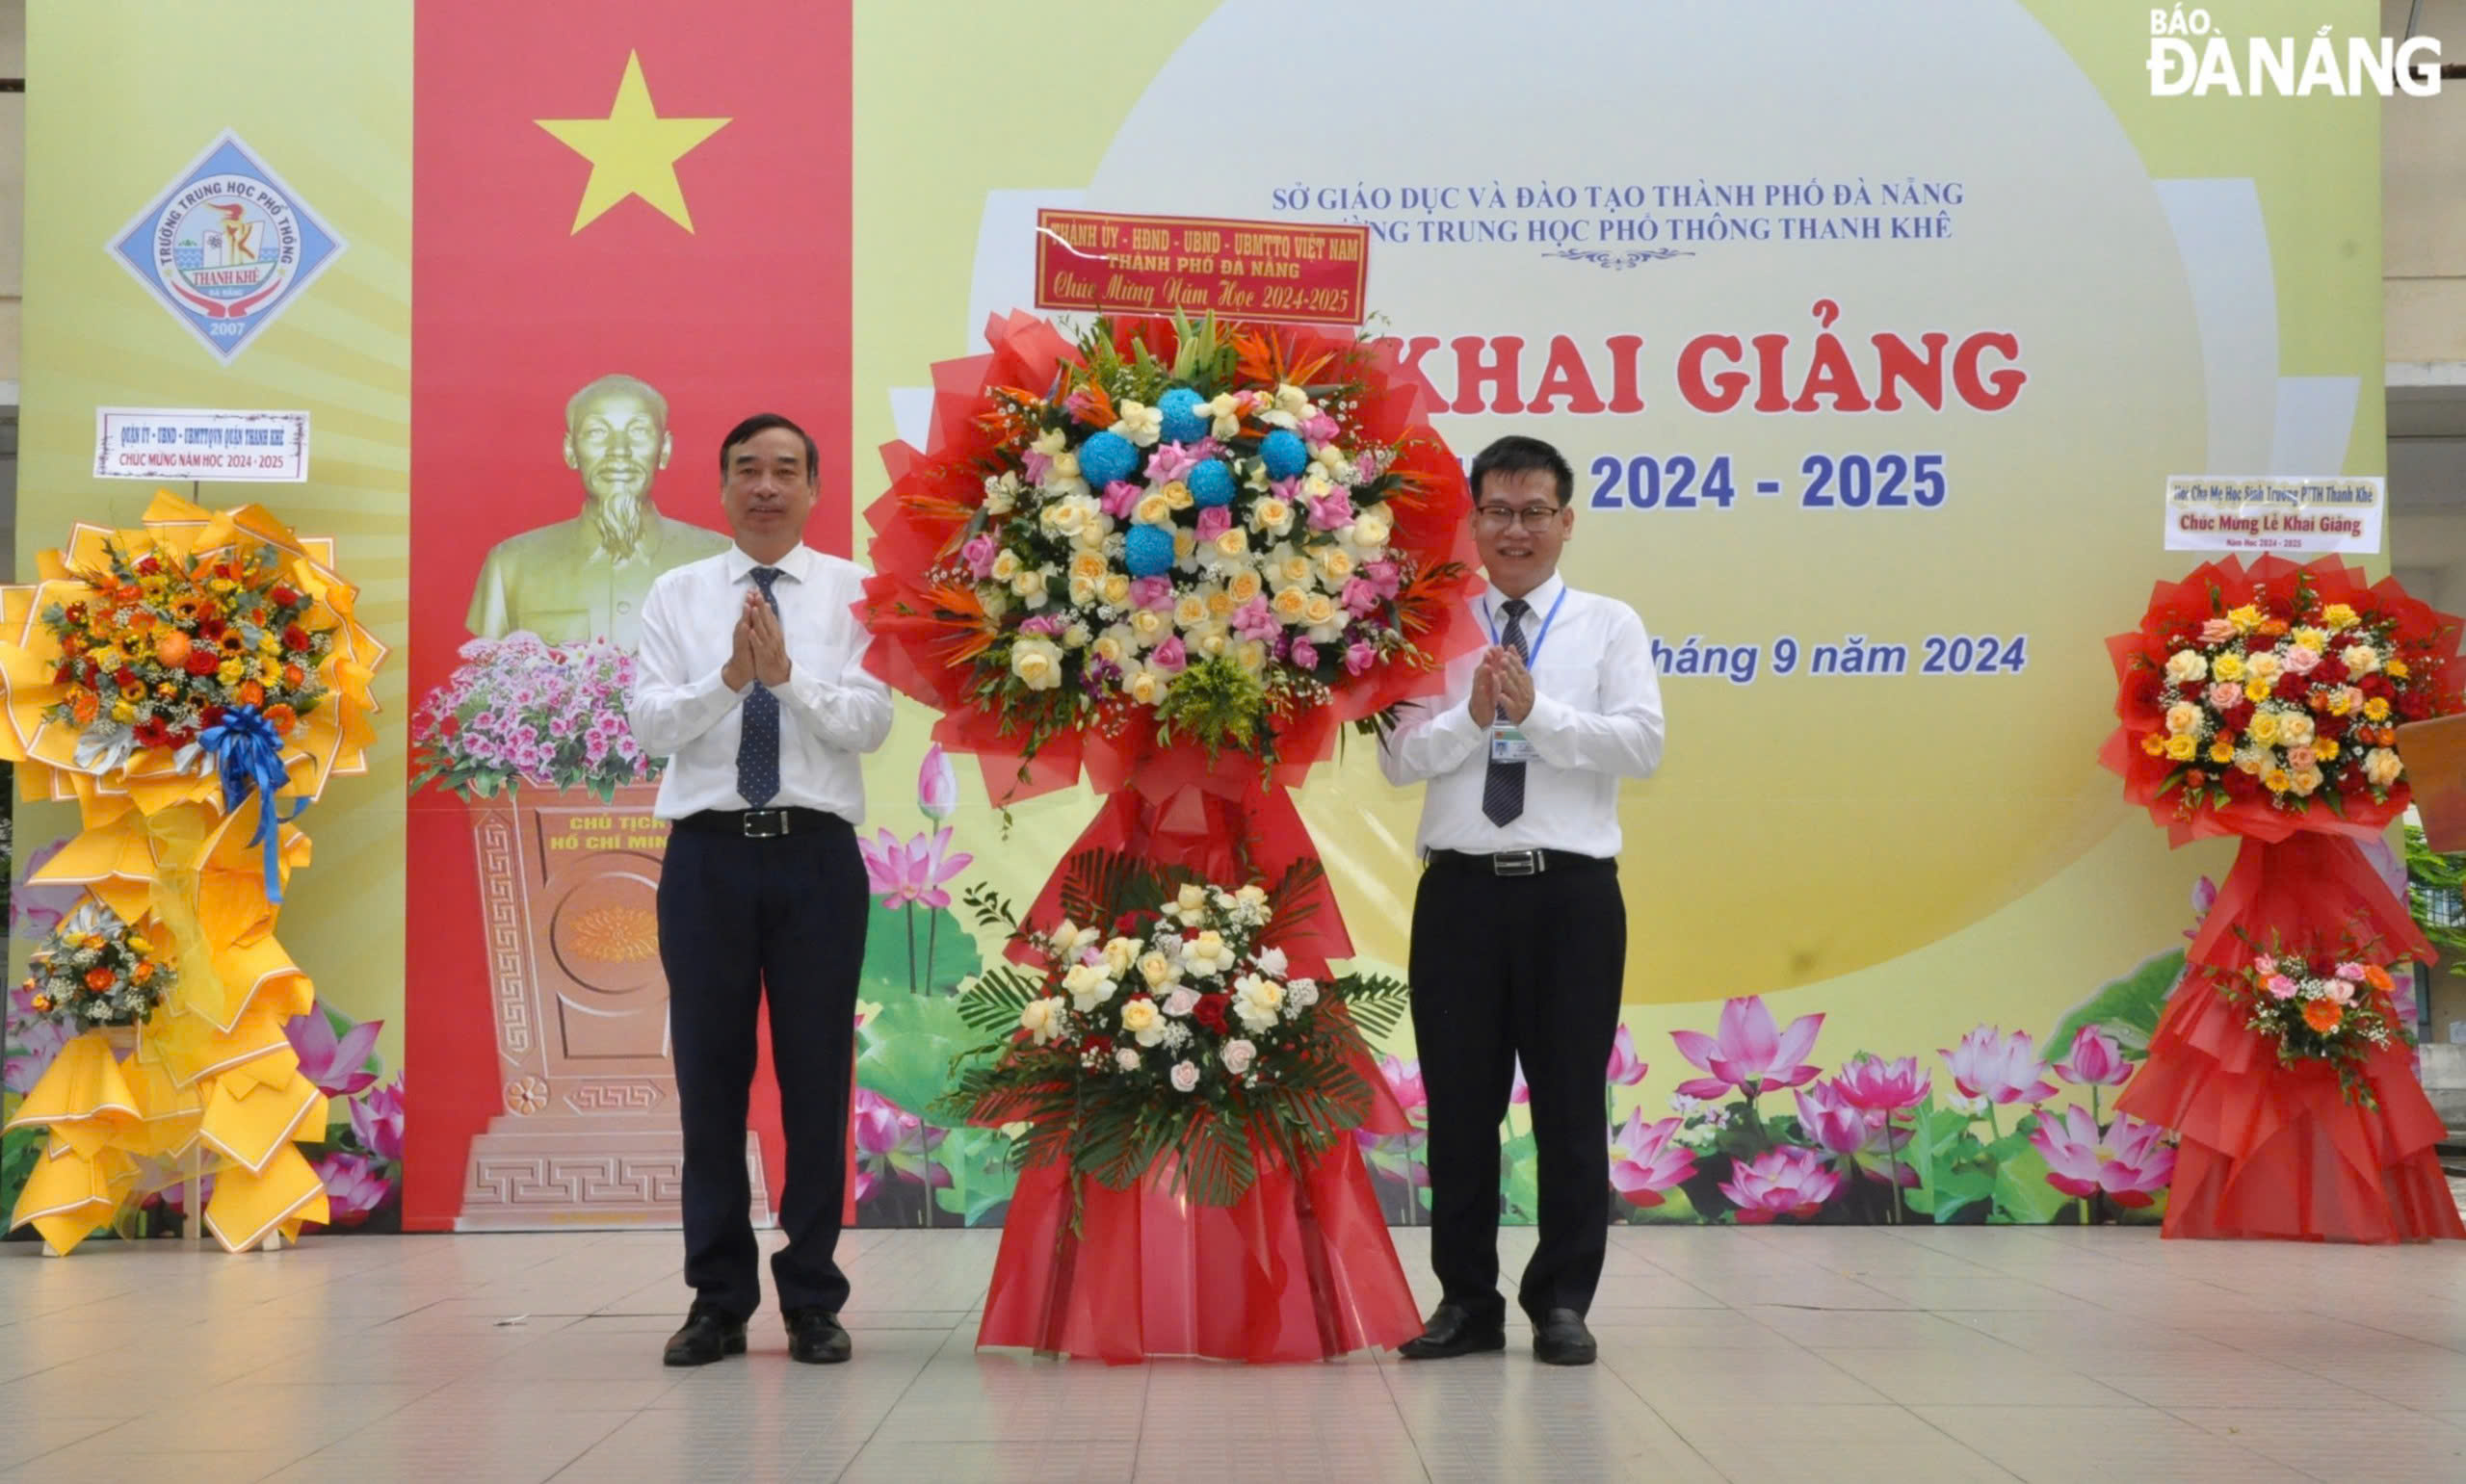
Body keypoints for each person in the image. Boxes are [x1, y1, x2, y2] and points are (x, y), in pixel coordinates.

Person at [1377, 434, 1666, 1367]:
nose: (1514, 528)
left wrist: (1535, 710)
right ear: (1472, 519)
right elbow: (1394, 758)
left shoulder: (1609, 623)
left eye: (1533, 510)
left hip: (1572, 896)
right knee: (1460, 1107)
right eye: (1496, 510)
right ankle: (1466, 1299)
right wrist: (1470, 718)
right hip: (1459, 895)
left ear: (1564, 521)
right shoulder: (1430, 625)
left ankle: (1561, 1300)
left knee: (1571, 1102)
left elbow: (1640, 745)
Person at [626, 413, 893, 1367]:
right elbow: (653, 720)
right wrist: (729, 679)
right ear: (723, 484)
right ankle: (718, 1299)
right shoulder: (677, 592)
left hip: (817, 856)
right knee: (711, 1083)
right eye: (748, 469)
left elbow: (869, 722)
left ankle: (814, 1298)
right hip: (707, 858)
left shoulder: (859, 592)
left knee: (817, 1083)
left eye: (785, 469)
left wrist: (787, 681)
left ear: (814, 487)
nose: (766, 485)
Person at [466, 373, 731, 651]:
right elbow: (488, 684)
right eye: (597, 432)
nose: (619, 451)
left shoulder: (721, 560)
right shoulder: (510, 566)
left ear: (664, 449)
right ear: (570, 450)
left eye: (638, 431)